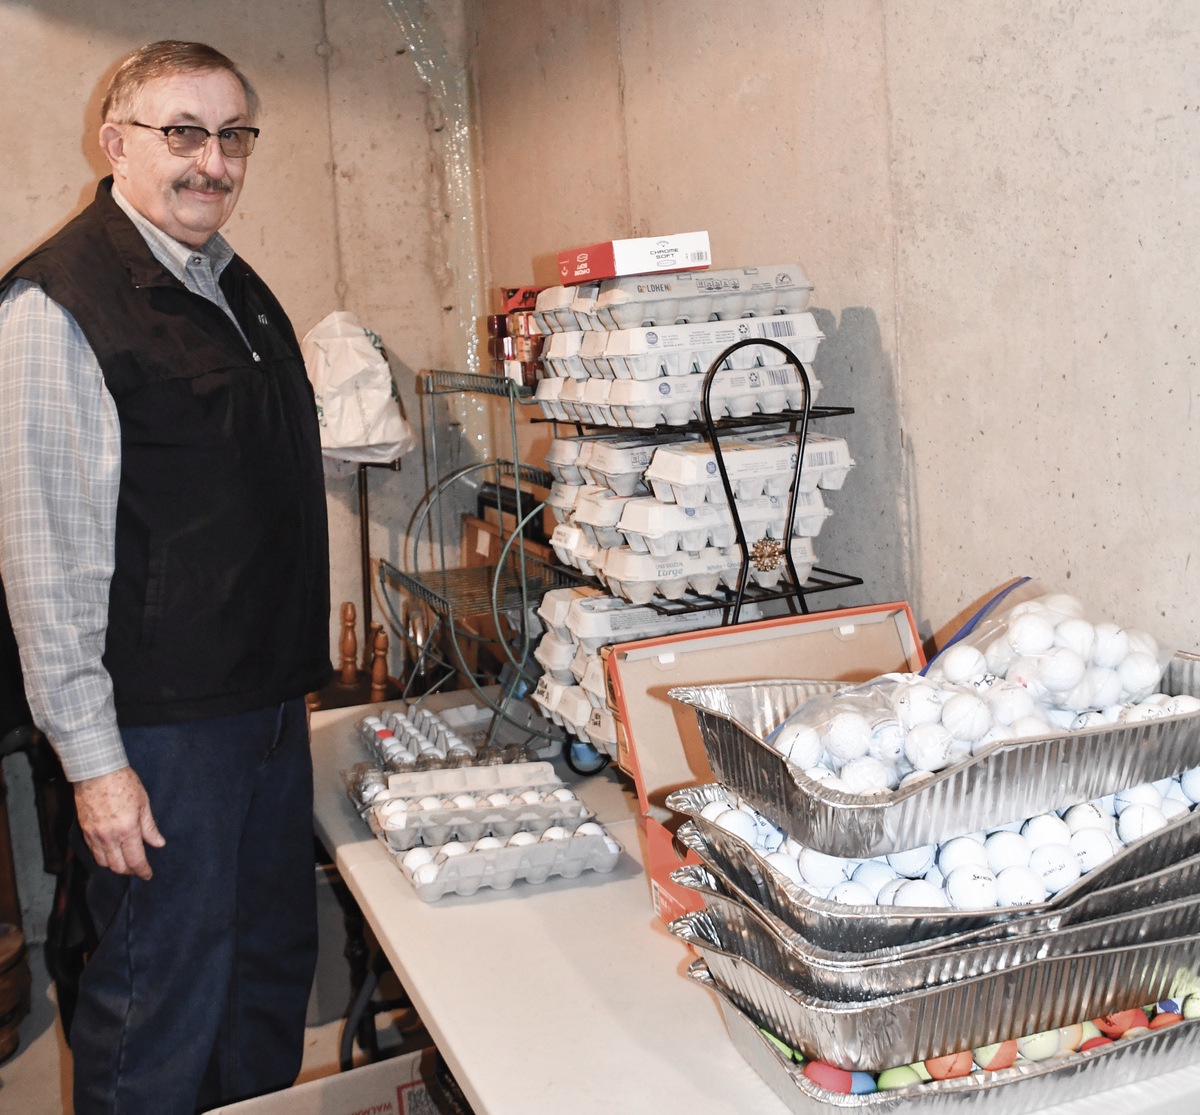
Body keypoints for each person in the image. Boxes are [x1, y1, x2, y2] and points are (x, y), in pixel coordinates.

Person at [0, 41, 332, 1113]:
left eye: (233, 134)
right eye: (182, 132)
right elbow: (45, 558)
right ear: (116, 143)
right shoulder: (59, 303)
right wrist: (95, 765)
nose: (214, 161)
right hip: (163, 734)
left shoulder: (229, 281)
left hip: (265, 710)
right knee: (159, 1004)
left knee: (265, 978)